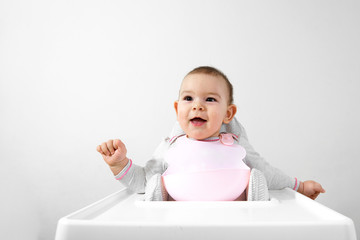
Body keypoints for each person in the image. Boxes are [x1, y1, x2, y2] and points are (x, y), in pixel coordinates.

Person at [96, 66, 325, 201]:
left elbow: (267, 171)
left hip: (233, 216)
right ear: (177, 110)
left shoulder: (235, 144)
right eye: (188, 98)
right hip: (181, 220)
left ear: (228, 114)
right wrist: (119, 164)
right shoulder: (171, 147)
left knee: (257, 177)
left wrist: (300, 186)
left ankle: (254, 199)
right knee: (156, 182)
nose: (198, 106)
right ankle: (160, 202)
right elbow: (142, 182)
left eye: (210, 99)